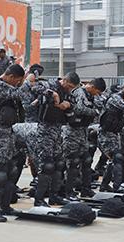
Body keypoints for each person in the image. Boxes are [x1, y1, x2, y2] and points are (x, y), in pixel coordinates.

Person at [0, 64, 35, 222]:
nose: (17, 83)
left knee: (12, 169)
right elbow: (19, 93)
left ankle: (5, 206)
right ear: (11, 77)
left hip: (8, 131)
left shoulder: (4, 86)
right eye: (17, 81)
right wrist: (28, 82)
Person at [34, 72, 80, 206]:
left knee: (59, 164)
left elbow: (74, 107)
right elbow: (34, 87)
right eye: (69, 85)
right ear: (64, 80)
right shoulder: (50, 84)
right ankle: (39, 199)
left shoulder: (68, 92)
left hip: (58, 129)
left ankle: (54, 196)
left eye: (72, 87)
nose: (69, 89)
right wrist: (51, 93)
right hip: (45, 129)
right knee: (47, 165)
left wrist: (68, 105)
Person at [63, 78, 106, 198]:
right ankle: (68, 192)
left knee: (87, 160)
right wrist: (95, 112)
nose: (97, 95)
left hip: (82, 131)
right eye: (97, 92)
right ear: (92, 87)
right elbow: (79, 108)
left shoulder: (90, 95)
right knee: (73, 162)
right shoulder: (80, 92)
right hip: (72, 132)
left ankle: (86, 189)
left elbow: (100, 107)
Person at [98, 84, 124, 192]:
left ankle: (104, 185)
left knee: (113, 160)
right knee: (117, 157)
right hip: (105, 134)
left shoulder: (123, 100)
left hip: (114, 134)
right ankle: (117, 186)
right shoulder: (115, 98)